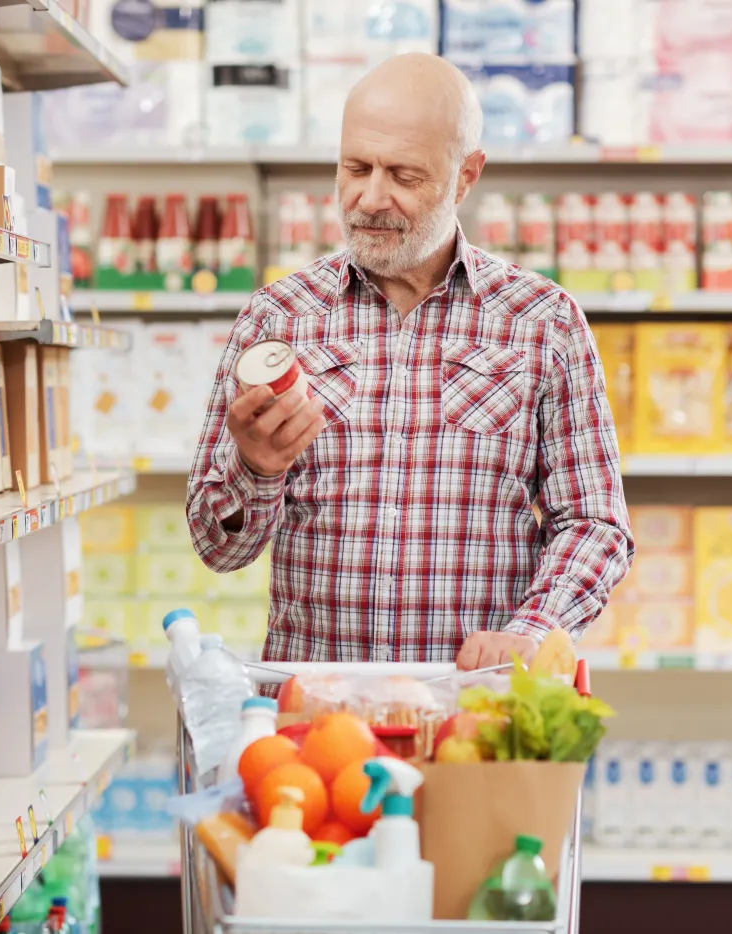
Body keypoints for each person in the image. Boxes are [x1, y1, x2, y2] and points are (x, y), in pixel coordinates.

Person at [186, 53, 634, 671]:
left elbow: (595, 522)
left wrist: (534, 629)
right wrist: (254, 471)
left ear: (465, 176)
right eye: (355, 167)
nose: (371, 197)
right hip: (318, 718)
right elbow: (218, 549)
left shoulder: (543, 321)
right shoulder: (276, 319)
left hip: (473, 714)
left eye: (404, 174)